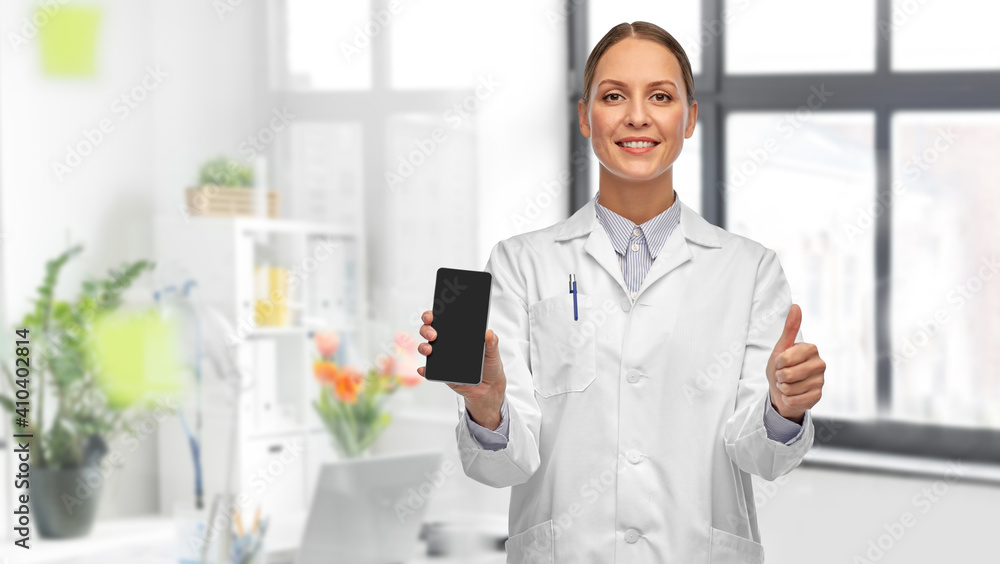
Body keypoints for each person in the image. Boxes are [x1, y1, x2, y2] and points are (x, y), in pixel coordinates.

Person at [417, 21, 826, 563]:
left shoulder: (750, 270)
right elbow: (503, 466)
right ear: (586, 116)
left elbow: (761, 457)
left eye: (661, 96)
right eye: (614, 96)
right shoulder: (521, 263)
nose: (638, 116)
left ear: (691, 118)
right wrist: (488, 407)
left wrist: (782, 406)